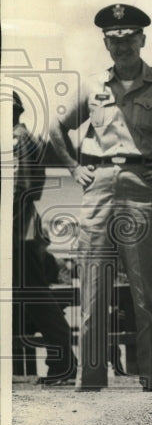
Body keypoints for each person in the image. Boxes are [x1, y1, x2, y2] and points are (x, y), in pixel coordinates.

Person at [48, 4, 152, 391]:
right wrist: (76, 168)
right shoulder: (93, 87)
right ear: (106, 43)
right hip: (98, 186)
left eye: (129, 39)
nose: (122, 46)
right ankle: (90, 380)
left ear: (142, 40)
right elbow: (56, 128)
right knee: (93, 286)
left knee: (148, 288)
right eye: (115, 40)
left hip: (144, 186)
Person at [12, 91, 77, 384]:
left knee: (35, 296)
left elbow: (21, 190)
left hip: (18, 230)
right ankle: (61, 363)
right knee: (33, 296)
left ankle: (62, 363)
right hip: (19, 229)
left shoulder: (18, 139)